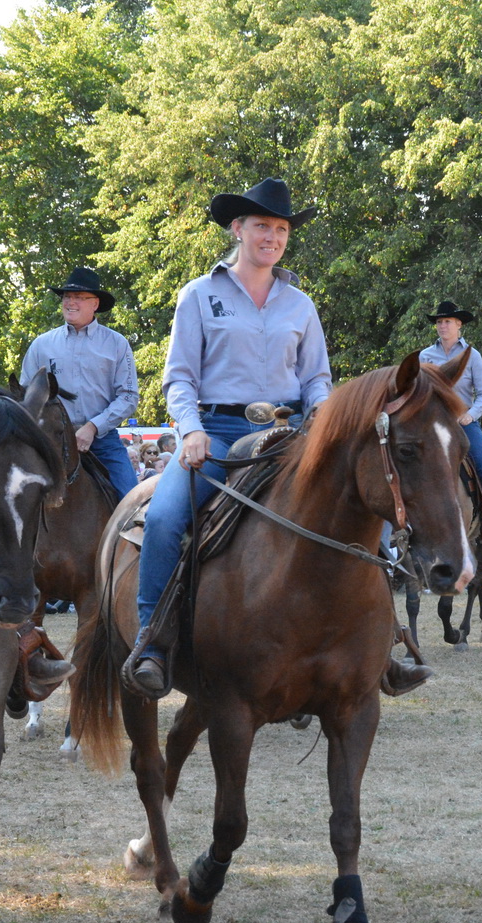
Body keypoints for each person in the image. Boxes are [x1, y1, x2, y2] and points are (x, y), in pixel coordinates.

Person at [123, 178, 332, 698]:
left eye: (281, 228)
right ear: (237, 229)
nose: (273, 236)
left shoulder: (301, 304)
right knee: (169, 516)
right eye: (262, 225)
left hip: (287, 434)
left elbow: (316, 380)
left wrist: (326, 423)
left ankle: (379, 643)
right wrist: (190, 430)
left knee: (351, 505)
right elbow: (179, 377)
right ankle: (152, 643)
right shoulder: (198, 294)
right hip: (216, 433)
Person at [18, 266, 140, 498]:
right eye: (67, 297)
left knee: (132, 504)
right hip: (50, 441)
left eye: (78, 298)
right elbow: (25, 395)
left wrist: (93, 427)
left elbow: (128, 396)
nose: (70, 302)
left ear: (95, 304)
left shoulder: (116, 343)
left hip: (102, 441)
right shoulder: (41, 345)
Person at [418, 299, 482, 546]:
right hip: (432, 422)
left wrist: (471, 415)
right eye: (439, 322)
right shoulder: (425, 356)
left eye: (447, 321)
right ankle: (407, 521)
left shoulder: (472, 355)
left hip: (463, 421)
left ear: (459, 325)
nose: (442, 326)